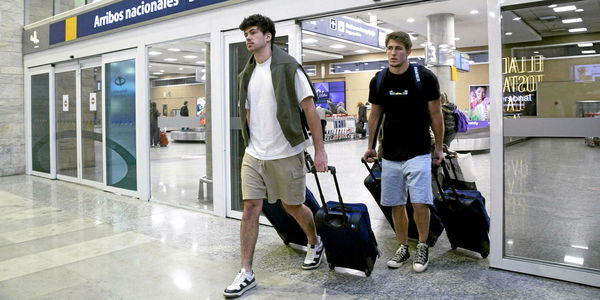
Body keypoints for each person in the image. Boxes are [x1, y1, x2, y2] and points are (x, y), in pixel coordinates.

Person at [224, 14, 328, 298]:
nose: (248, 37)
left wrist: (319, 151)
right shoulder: (245, 74)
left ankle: (314, 241)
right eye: (246, 33)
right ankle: (246, 271)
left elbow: (310, 111)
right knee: (250, 209)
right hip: (255, 153)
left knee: (292, 206)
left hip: (286, 152)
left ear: (268, 36)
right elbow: (247, 111)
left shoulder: (288, 68)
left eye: (254, 32)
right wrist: (250, 143)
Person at [362, 31, 444, 274]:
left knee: (420, 202)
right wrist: (370, 146)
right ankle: (402, 246)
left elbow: (436, 114)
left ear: (408, 52)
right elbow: (375, 115)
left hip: (418, 150)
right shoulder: (379, 80)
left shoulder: (424, 78)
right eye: (389, 48)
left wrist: (438, 148)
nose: (393, 53)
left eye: (398, 48)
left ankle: (421, 244)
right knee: (395, 203)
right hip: (390, 154)